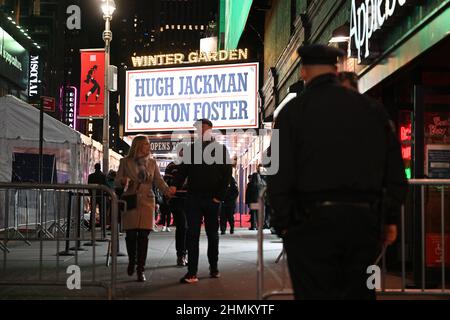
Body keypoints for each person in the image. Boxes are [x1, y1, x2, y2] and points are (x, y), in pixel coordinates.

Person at [267, 44, 407, 300]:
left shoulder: (292, 113)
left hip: (309, 221)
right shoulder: (371, 110)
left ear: (303, 71)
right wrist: (389, 217)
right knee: (359, 293)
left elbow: (279, 171)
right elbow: (394, 171)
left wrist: (284, 222)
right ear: (336, 68)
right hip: (363, 222)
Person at [172, 118, 232, 284]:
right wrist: (174, 186)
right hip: (194, 198)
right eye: (197, 129)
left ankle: (214, 267)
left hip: (212, 199)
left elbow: (227, 176)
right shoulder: (192, 150)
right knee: (192, 235)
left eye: (201, 128)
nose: (199, 131)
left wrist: (218, 197)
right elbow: (183, 171)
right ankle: (192, 272)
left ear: (210, 129)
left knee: (213, 235)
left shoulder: (220, 150)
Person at [115, 135, 173, 282]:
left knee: (143, 237)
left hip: (147, 201)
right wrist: (123, 180)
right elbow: (117, 181)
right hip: (131, 200)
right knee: (131, 236)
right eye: (147, 144)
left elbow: (158, 181)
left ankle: (141, 268)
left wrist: (167, 191)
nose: (149, 146)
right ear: (139, 145)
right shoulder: (125, 162)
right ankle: (132, 261)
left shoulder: (152, 163)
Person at [165, 160, 188, 266]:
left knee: (189, 228)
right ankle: (181, 255)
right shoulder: (172, 166)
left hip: (190, 200)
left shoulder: (194, 164)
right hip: (176, 199)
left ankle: (186, 253)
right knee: (182, 226)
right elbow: (166, 182)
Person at [87, 163, 108, 230]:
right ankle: (102, 227)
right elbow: (105, 185)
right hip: (101, 195)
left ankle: (91, 226)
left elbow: (89, 186)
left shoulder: (90, 176)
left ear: (94, 167)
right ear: (100, 168)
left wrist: (91, 193)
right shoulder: (103, 176)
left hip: (93, 195)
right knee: (102, 211)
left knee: (92, 211)